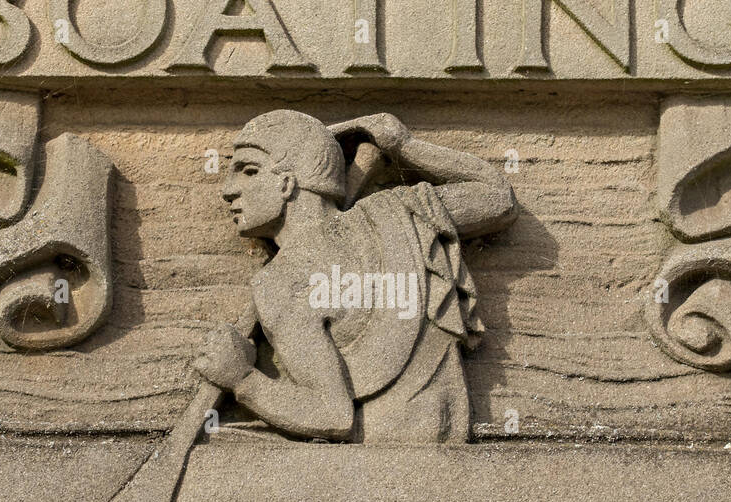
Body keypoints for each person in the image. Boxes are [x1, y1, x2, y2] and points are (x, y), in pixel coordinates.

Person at [192, 110, 517, 444]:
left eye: (248, 171)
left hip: (376, 468)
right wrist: (403, 145)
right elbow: (495, 195)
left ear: (288, 183)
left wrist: (242, 380)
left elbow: (332, 416)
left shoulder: (280, 284)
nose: (228, 190)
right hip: (442, 443)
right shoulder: (398, 213)